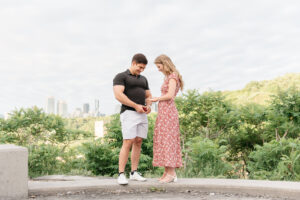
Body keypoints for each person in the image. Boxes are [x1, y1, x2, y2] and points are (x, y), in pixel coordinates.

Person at [113, 53, 152, 185]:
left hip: (142, 114)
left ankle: (134, 172)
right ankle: (121, 174)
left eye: (143, 68)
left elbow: (148, 96)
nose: (141, 70)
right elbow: (118, 95)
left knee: (138, 141)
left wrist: (149, 105)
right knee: (128, 141)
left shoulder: (144, 79)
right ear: (133, 63)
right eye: (140, 67)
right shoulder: (121, 76)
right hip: (129, 113)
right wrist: (135, 106)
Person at [149, 54, 183, 183]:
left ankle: (172, 173)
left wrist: (157, 98)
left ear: (165, 64)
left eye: (159, 66)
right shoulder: (167, 77)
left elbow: (169, 95)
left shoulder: (173, 77)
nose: (158, 69)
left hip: (169, 112)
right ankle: (167, 171)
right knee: (163, 140)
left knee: (168, 140)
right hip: (164, 112)